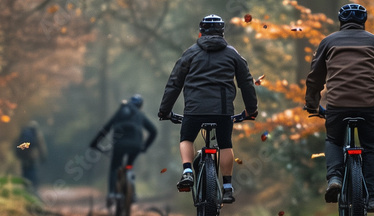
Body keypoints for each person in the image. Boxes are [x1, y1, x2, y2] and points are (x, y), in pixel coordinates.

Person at [157, 14, 258, 204]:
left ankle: (187, 171)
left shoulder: (190, 53)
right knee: (225, 144)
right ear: (222, 33)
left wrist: (165, 111)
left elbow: (174, 83)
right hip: (222, 111)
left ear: (200, 32)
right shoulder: (232, 54)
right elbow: (246, 83)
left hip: (194, 110)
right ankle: (227, 187)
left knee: (187, 137)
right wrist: (251, 110)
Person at [304, 3, 374, 213]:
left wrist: (312, 105)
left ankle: (335, 177)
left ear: (341, 22)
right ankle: (373, 197)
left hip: (337, 106)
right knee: (371, 147)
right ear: (364, 22)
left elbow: (315, 78)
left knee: (334, 140)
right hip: (367, 106)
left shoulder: (328, 42)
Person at [90, 94, 158, 203]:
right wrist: (145, 147)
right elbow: (153, 131)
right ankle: (132, 190)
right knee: (129, 165)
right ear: (140, 106)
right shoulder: (140, 115)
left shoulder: (120, 113)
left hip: (119, 145)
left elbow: (105, 129)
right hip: (136, 145)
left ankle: (112, 194)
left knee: (115, 167)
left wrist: (94, 144)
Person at [15, 121, 47, 190]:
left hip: (24, 158)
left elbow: (19, 146)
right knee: (32, 173)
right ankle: (33, 188)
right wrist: (43, 157)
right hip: (32, 158)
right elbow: (41, 146)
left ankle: (26, 188)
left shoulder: (24, 133)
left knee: (25, 174)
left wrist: (18, 154)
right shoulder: (36, 134)